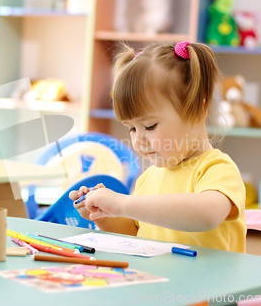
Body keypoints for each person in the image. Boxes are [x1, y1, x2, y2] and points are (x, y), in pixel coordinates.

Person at [70, 41, 246, 253]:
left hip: (216, 285)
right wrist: (104, 215)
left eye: (149, 126)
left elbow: (207, 215)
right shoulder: (148, 179)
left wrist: (122, 204)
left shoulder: (217, 169)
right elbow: (137, 235)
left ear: (198, 110)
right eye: (132, 129)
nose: (138, 140)